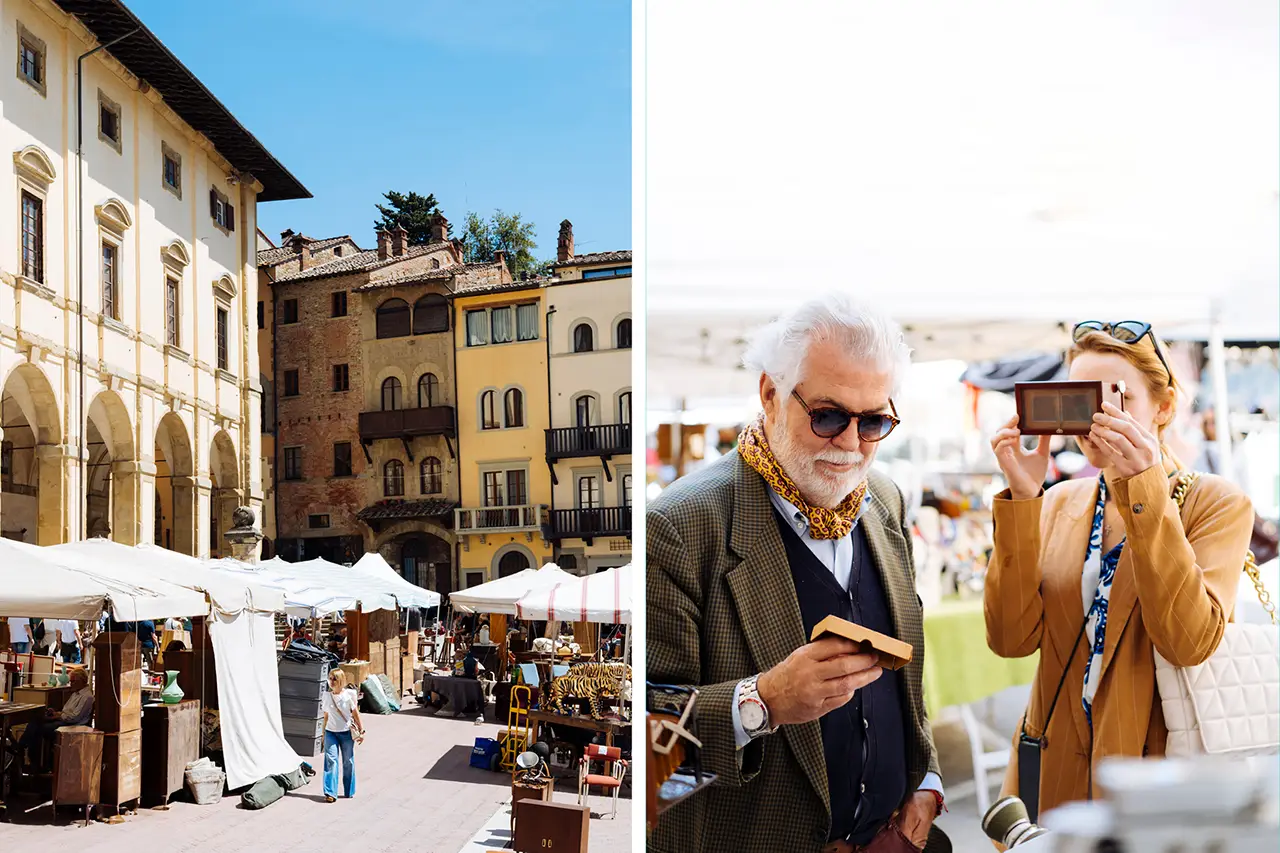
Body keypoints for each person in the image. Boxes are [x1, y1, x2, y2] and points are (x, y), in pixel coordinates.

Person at [647, 295, 947, 853]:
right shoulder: (679, 527)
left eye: (875, 421)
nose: (852, 445)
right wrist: (761, 701)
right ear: (770, 394)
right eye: (829, 417)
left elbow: (907, 675)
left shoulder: (886, 501)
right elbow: (649, 741)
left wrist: (924, 781)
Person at [985, 321, 1254, 819]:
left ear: (1165, 407)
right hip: (1052, 770)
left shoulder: (1215, 504)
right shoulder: (1058, 501)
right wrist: (1023, 499)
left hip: (1157, 776)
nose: (1096, 419)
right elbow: (1010, 639)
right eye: (1081, 399)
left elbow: (1187, 642)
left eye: (1118, 398)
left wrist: (1146, 487)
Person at [18, 668, 93, 771]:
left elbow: (75, 717)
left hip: (74, 725)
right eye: (70, 681)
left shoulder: (87, 697)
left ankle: (34, 760)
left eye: (73, 681)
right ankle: (24, 747)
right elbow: (66, 711)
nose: (71, 684)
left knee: (41, 729)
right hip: (65, 720)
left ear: (82, 681)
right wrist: (56, 713)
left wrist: (58, 715)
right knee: (35, 720)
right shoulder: (76, 693)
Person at [320, 669, 363, 802]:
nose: (331, 682)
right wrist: (323, 733)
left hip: (346, 733)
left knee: (348, 762)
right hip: (331, 733)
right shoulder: (327, 696)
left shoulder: (348, 695)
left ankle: (349, 790)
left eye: (334, 679)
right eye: (330, 678)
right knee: (331, 761)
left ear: (341, 681)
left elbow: (355, 713)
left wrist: (361, 730)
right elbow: (326, 715)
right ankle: (330, 793)